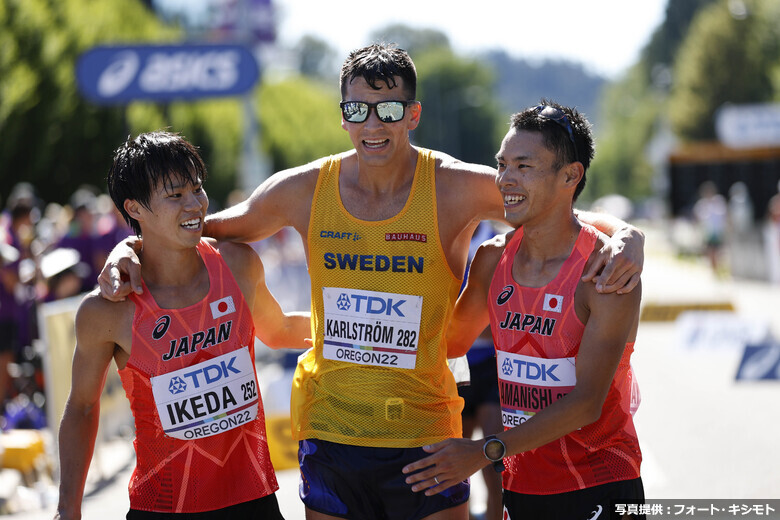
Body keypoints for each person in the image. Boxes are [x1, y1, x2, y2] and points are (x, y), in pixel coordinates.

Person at [99, 45, 644, 520]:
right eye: (357, 109)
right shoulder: (305, 189)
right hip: (333, 427)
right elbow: (189, 228)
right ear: (343, 115)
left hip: (425, 428)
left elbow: (553, 201)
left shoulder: (454, 185)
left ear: (413, 114)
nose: (372, 124)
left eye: (388, 109)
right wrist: (127, 246)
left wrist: (626, 233)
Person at [402, 101, 644, 519]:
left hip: (599, 483)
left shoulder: (605, 271)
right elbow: (450, 343)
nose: (504, 180)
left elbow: (586, 404)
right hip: (522, 481)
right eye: (502, 165)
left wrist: (484, 450)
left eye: (523, 167)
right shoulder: (492, 259)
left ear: (570, 175)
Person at [55, 131, 310, 519]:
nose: (194, 205)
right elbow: (81, 408)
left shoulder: (237, 265)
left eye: (197, 189)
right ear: (134, 208)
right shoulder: (109, 310)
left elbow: (280, 331)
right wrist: (67, 509)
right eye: (175, 196)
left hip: (252, 498)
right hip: (163, 506)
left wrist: (357, 327)